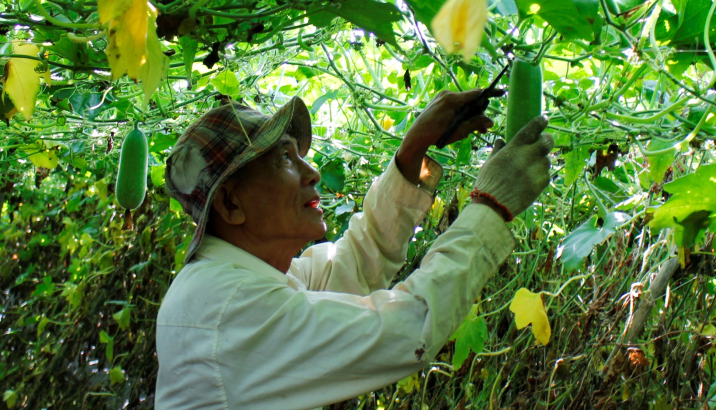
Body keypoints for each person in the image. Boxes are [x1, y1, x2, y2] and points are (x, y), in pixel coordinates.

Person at [154, 90, 553, 410]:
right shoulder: (230, 310)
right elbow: (405, 329)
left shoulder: (235, 284)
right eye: (284, 160)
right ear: (229, 204)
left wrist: (410, 153)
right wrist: (490, 207)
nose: (311, 172)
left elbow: (353, 266)